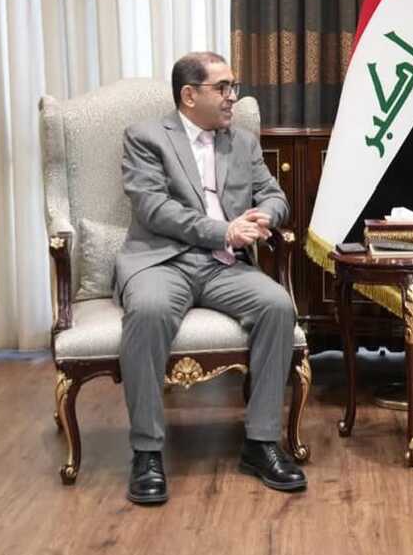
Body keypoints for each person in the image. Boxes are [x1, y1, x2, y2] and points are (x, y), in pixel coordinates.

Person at [113, 51, 306, 505]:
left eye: (233, 86)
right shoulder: (145, 137)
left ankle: (260, 443)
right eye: (222, 87)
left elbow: (275, 195)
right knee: (149, 310)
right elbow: (155, 209)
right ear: (189, 95)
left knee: (277, 306)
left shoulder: (242, 142)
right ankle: (147, 452)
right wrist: (224, 231)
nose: (232, 96)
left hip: (224, 264)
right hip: (164, 260)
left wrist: (265, 215)